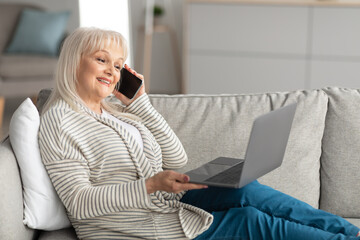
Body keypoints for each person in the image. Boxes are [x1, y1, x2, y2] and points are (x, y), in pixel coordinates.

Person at [38, 27, 360, 240]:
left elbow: (178, 157)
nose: (112, 71)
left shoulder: (117, 112)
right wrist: (150, 185)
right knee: (249, 221)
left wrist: (141, 104)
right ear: (73, 62)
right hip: (135, 227)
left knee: (248, 191)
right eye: (101, 60)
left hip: (163, 201)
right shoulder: (59, 121)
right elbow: (79, 203)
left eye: (119, 65)